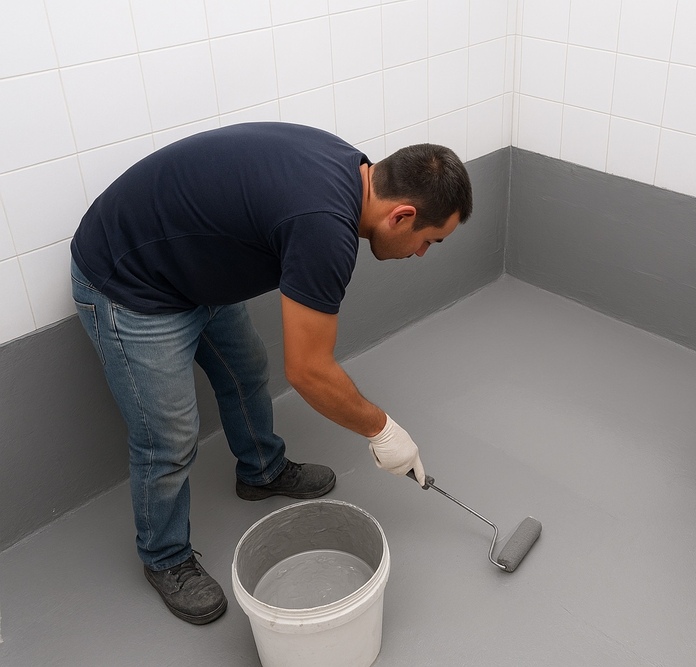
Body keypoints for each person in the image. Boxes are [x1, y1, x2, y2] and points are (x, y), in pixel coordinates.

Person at [69, 122, 473, 625]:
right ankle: (165, 557)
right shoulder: (325, 226)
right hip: (131, 280)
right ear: (403, 214)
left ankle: (261, 471)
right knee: (169, 436)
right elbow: (308, 370)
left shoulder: (352, 170)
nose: (422, 253)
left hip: (189, 264)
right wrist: (382, 430)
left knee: (246, 370)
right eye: (429, 240)